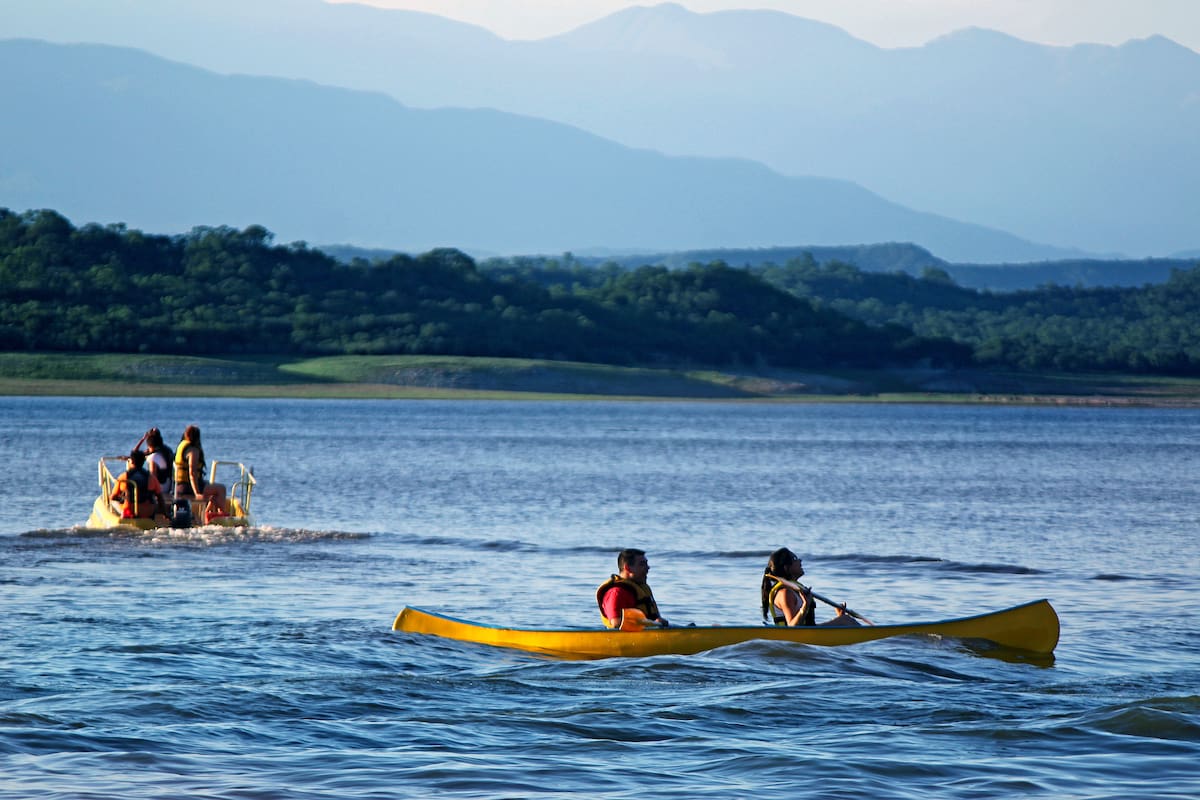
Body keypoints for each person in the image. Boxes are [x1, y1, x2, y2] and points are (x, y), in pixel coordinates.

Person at [761, 547, 860, 627]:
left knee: (844, 619)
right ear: (786, 568)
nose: (800, 561)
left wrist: (839, 616)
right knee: (846, 620)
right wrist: (805, 606)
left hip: (808, 632)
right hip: (798, 637)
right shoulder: (785, 593)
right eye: (795, 559)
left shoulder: (794, 589)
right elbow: (792, 628)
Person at [596, 548, 670, 629]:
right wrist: (653, 624)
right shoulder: (616, 592)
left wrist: (657, 623)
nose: (648, 567)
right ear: (628, 568)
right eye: (642, 564)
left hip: (649, 633)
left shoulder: (642, 588)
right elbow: (616, 623)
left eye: (646, 564)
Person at [173, 424, 227, 519]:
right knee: (221, 489)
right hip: (188, 487)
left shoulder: (182, 445)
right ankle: (221, 516)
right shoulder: (193, 451)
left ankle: (207, 513)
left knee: (210, 486)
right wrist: (197, 493)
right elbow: (192, 473)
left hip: (179, 485)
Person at [110, 449, 167, 520]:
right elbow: (160, 498)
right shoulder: (152, 478)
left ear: (132, 461)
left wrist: (123, 499)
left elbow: (113, 497)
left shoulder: (123, 477)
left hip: (130, 511)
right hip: (147, 512)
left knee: (112, 501)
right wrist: (165, 514)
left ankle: (121, 516)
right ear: (143, 462)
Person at [137, 427, 175, 499]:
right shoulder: (165, 450)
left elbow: (153, 477)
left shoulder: (153, 458)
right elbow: (136, 454)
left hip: (161, 487)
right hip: (168, 484)